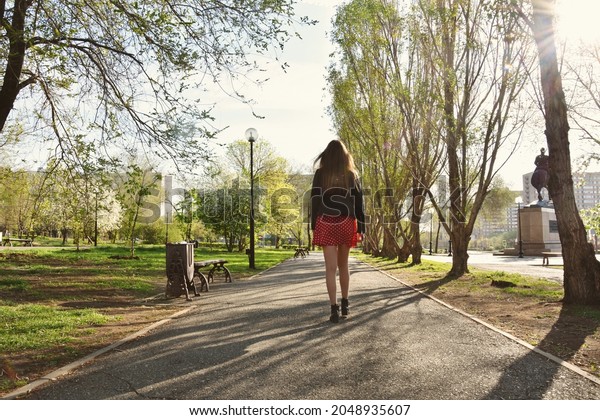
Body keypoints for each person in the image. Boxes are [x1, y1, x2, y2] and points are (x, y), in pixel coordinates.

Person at [311, 140, 365, 323]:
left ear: (326, 155)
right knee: (344, 266)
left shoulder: (320, 174)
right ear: (345, 156)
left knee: (330, 269)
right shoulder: (352, 174)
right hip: (346, 222)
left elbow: (315, 201)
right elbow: (359, 204)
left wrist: (313, 226)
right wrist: (362, 228)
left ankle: (333, 309)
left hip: (325, 222)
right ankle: (345, 304)